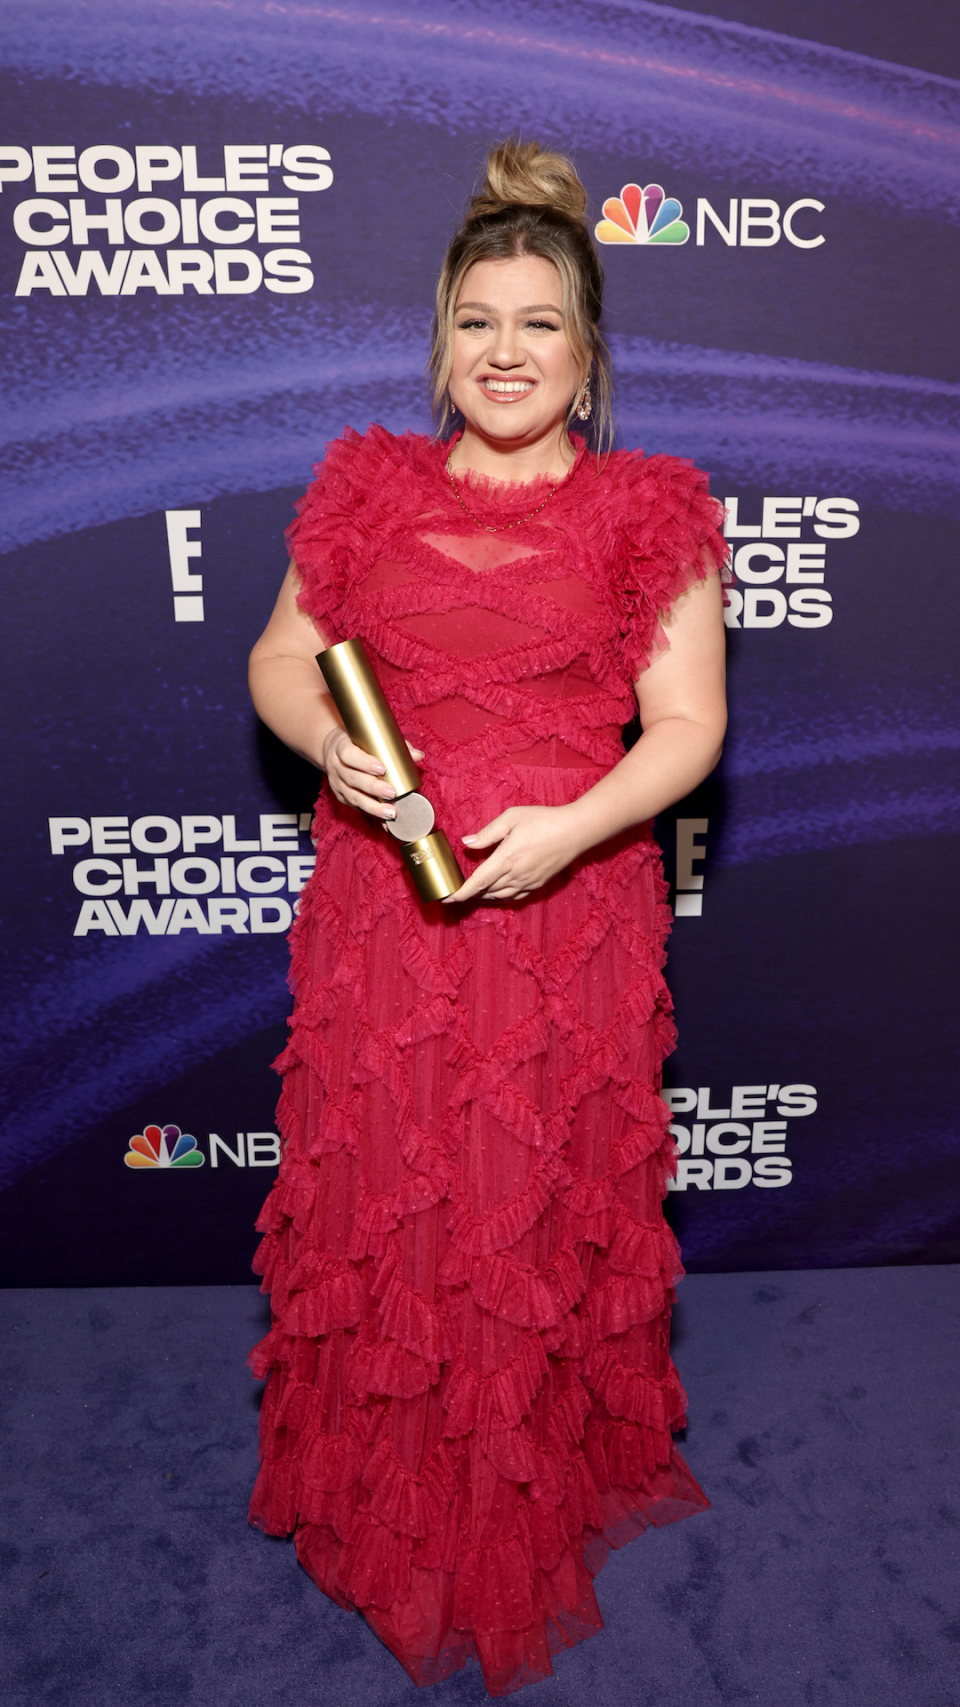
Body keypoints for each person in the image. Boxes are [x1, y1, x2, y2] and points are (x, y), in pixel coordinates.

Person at [246, 138, 727, 1697]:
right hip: (383, 916)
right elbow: (278, 660)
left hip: (562, 912)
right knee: (393, 1191)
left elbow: (686, 724)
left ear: (588, 360)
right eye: (476, 321)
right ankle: (392, 1483)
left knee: (530, 1196)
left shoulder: (651, 507)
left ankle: (523, 1487)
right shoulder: (364, 489)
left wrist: (570, 832)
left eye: (538, 324)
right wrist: (336, 749)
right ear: (439, 340)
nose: (504, 352)